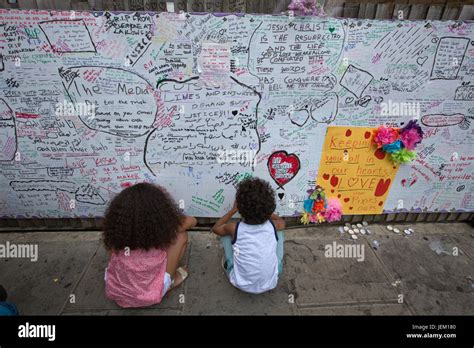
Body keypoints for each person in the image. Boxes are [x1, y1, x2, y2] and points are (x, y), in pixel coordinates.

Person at [103, 183, 196, 308]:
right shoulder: (163, 227)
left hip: (117, 291)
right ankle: (172, 280)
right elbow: (193, 221)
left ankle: (139, 286)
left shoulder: (117, 230)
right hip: (152, 294)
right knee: (181, 236)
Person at [212, 177, 285, 294]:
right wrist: (266, 210)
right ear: (270, 205)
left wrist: (232, 211)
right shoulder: (274, 225)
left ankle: (228, 263)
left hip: (239, 283)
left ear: (240, 208)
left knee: (225, 233)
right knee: (279, 231)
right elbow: (282, 222)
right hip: (272, 281)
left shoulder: (234, 227)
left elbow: (215, 228)